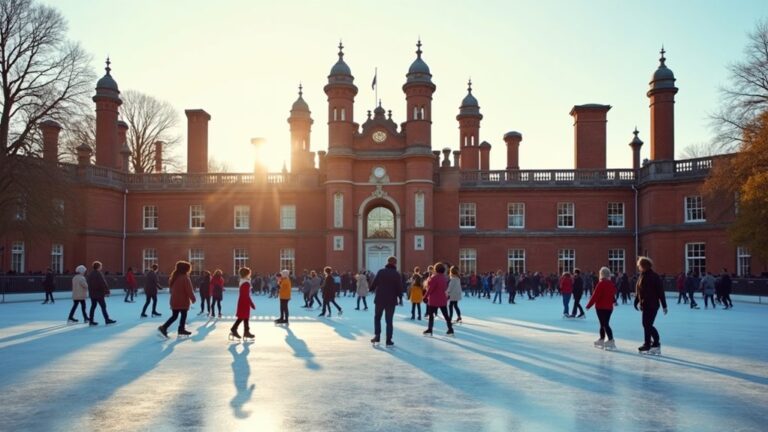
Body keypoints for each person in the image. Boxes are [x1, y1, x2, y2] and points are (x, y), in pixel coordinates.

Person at [634, 256, 668, 354]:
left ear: (644, 266)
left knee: (647, 324)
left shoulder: (654, 277)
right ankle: (649, 343)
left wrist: (664, 305)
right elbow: (639, 290)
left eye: (639, 265)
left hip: (652, 305)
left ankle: (653, 343)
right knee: (646, 324)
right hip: (645, 304)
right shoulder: (642, 275)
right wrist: (636, 301)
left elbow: (660, 292)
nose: (638, 267)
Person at [158, 261, 196, 338]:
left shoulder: (174, 277)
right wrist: (193, 298)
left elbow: (171, 290)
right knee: (183, 315)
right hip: (182, 301)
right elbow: (189, 290)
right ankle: (181, 329)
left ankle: (164, 327)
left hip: (174, 300)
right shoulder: (185, 278)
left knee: (174, 316)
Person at [370, 256, 401, 346]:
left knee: (377, 318)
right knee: (389, 321)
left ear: (387, 262)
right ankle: (388, 340)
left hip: (380, 299)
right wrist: (400, 297)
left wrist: (371, 289)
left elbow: (374, 283)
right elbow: (399, 287)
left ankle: (377, 336)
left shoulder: (381, 272)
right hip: (391, 300)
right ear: (395, 263)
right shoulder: (396, 274)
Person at [586, 267, 617, 349]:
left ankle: (610, 340)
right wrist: (614, 302)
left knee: (604, 324)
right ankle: (602, 339)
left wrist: (589, 305)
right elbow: (612, 295)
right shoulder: (611, 284)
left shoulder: (601, 283)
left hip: (601, 307)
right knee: (603, 324)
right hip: (609, 308)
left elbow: (595, 296)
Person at [423, 262, 454, 336]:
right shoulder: (444, 278)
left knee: (431, 316)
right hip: (442, 299)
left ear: (436, 269)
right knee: (446, 315)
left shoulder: (435, 278)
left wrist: (425, 296)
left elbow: (430, 289)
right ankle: (450, 329)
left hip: (434, 299)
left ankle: (430, 330)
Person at [87, 261, 116, 326]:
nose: (101, 267)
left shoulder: (90, 274)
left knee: (93, 307)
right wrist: (107, 291)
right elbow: (102, 283)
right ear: (98, 267)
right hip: (99, 293)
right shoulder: (98, 274)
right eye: (101, 266)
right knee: (103, 306)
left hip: (92, 293)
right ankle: (107, 319)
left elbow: (89, 284)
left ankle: (91, 320)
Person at [230, 267, 255, 340]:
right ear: (247, 274)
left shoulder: (244, 281)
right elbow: (246, 295)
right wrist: (251, 303)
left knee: (245, 317)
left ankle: (246, 331)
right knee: (242, 317)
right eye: (249, 273)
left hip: (243, 301)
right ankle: (234, 329)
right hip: (244, 301)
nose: (250, 274)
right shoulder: (246, 283)